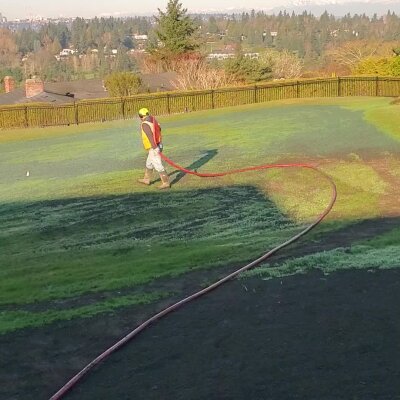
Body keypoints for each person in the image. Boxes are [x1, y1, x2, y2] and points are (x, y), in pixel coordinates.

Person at [137, 107, 171, 189]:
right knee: (149, 163)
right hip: (158, 144)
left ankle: (166, 182)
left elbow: (150, 136)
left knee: (158, 164)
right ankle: (146, 179)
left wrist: (155, 147)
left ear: (141, 116)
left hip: (154, 147)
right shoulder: (153, 119)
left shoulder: (145, 124)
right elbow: (159, 129)